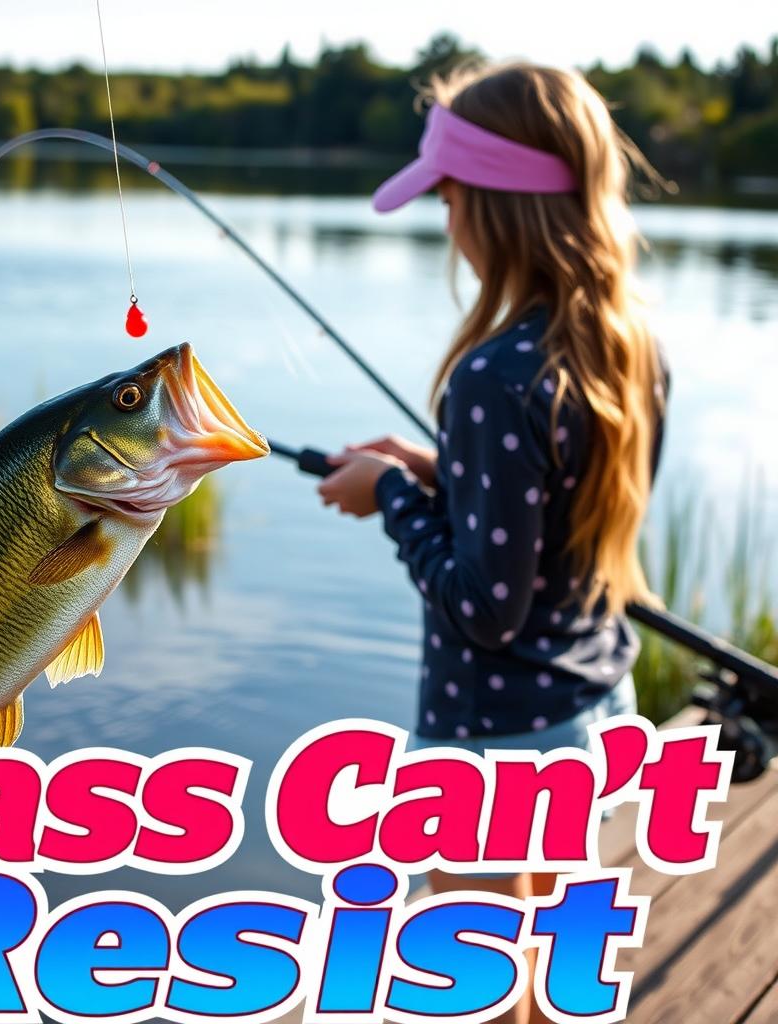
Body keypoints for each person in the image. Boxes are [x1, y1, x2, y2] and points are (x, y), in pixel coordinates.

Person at [317, 61, 668, 1024]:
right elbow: (562, 505)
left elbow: (485, 607)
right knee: (552, 983)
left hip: (490, 744)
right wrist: (439, 471)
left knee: (472, 991)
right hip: (591, 716)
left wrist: (392, 494)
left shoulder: (490, 377)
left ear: (491, 206)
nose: (446, 223)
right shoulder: (625, 343)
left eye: (448, 198)